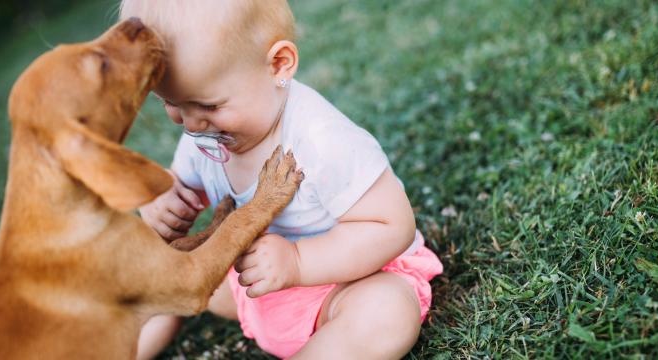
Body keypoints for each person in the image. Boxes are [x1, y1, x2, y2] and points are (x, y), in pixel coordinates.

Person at [120, 1, 443, 358]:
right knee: (163, 273)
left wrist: (298, 262)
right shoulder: (205, 133)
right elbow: (182, 188)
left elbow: (390, 226)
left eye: (208, 106)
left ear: (278, 64)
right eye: (171, 104)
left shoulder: (321, 138)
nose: (192, 124)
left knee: (384, 311)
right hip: (253, 287)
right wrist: (160, 199)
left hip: (339, 283)